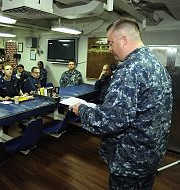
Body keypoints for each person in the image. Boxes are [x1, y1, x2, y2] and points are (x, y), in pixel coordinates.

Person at [70, 18, 172, 189]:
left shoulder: (130, 69)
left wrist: (82, 110)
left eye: (110, 43)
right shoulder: (156, 64)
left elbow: (111, 120)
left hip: (130, 161)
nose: (109, 48)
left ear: (124, 39)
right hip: (151, 156)